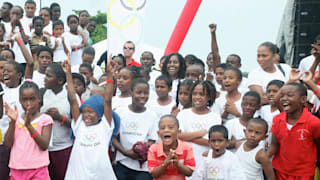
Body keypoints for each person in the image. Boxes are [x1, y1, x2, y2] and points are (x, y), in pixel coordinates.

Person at [63, 57, 117, 180]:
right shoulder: (79, 125)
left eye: (90, 112)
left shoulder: (105, 127)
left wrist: (109, 75)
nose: (86, 115)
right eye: (84, 112)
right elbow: (73, 98)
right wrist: (68, 74)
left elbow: (107, 101)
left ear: (99, 114)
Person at [267, 82, 320, 179]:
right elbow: (274, 145)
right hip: (281, 172)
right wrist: (264, 157)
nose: (284, 99)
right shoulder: (277, 119)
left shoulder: (314, 122)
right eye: (282, 96)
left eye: (290, 95)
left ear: (303, 99)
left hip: (304, 174)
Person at [4, 81, 54, 180]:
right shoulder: (16, 118)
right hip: (16, 169)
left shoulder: (45, 119)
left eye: (32, 99)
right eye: (24, 99)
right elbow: (8, 144)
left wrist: (29, 126)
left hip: (38, 169)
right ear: (19, 100)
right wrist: (13, 123)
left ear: (39, 99)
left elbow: (44, 145)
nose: (28, 104)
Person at [113, 78, 158, 180]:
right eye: (139, 92)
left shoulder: (152, 115)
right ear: (131, 92)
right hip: (122, 163)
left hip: (143, 167)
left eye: (146, 93)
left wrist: (141, 149)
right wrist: (124, 152)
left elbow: (152, 140)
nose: (142, 96)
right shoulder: (120, 112)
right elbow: (113, 137)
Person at [177, 80, 221, 180]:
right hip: (183, 162)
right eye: (194, 94)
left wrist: (188, 137)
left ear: (209, 97)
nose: (197, 97)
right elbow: (177, 136)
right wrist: (199, 133)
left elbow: (209, 142)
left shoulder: (215, 117)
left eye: (202, 94)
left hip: (203, 161)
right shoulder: (183, 114)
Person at [40, 63, 74, 180]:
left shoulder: (70, 97)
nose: (45, 78)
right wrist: (43, 116)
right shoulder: (41, 93)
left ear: (59, 80)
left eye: (49, 76)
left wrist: (60, 117)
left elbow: (78, 124)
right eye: (45, 75)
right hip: (44, 149)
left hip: (63, 149)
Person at [148, 115, 196, 180]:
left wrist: (177, 163)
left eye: (171, 127)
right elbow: (154, 174)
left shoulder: (187, 148)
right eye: (162, 128)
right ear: (158, 133)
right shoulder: (153, 149)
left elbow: (189, 173)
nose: (166, 130)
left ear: (178, 132)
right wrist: (165, 163)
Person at [259, 80, 284, 146]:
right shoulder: (263, 109)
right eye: (268, 91)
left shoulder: (284, 110)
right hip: (264, 144)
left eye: (275, 91)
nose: (271, 94)